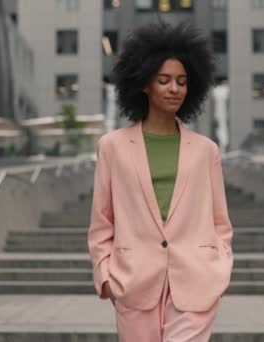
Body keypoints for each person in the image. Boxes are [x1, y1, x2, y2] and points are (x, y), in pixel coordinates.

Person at [88, 22, 234, 341]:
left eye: (182, 82)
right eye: (164, 80)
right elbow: (102, 222)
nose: (174, 89)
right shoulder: (112, 147)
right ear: (144, 84)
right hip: (134, 283)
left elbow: (220, 222)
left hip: (196, 282)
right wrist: (107, 278)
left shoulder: (206, 150)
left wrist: (218, 266)